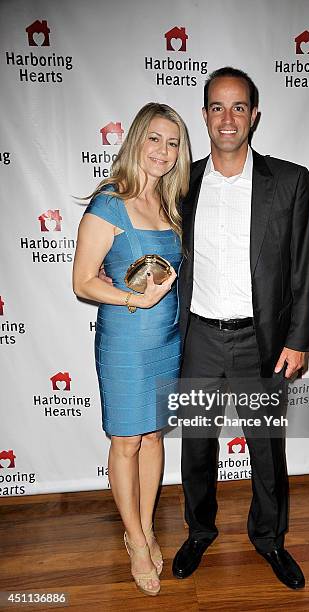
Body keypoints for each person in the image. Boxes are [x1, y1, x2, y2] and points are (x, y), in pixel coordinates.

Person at [172, 67, 309, 590]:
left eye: (238, 107)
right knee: (196, 446)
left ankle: (271, 539)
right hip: (198, 340)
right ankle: (199, 530)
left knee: (265, 448)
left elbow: (304, 265)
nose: (227, 118)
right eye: (217, 107)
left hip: (261, 343)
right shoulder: (181, 183)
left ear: (254, 115)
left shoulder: (291, 181)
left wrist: (299, 339)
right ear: (205, 115)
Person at [72, 103, 190, 596]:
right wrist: (131, 299)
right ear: (137, 140)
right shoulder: (109, 203)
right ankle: (136, 541)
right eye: (155, 139)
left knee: (154, 438)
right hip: (124, 337)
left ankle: (144, 526)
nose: (164, 151)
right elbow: (82, 282)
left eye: (174, 143)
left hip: (166, 338)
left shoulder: (171, 205)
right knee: (125, 441)